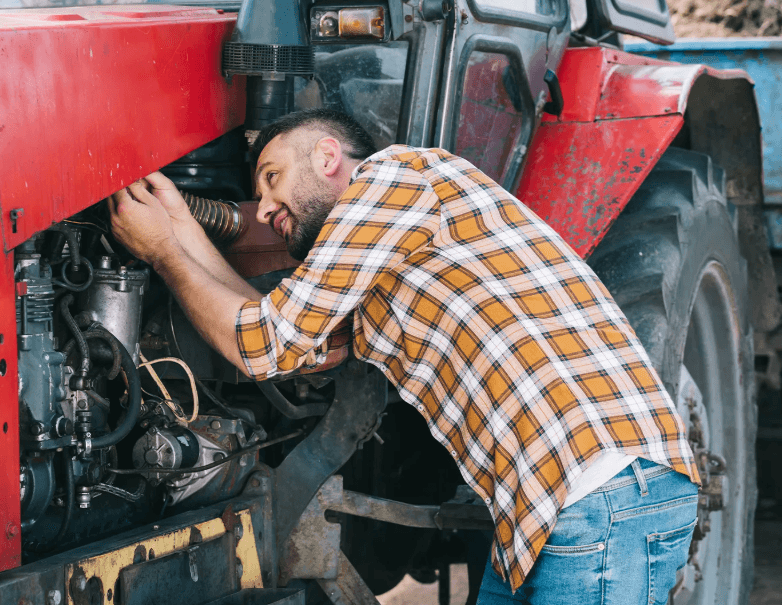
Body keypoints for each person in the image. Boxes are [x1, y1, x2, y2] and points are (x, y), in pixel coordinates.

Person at [107, 108, 701, 604]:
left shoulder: (396, 177)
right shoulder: (386, 265)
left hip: (600, 494)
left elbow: (264, 344)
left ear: (327, 155)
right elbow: (275, 337)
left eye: (272, 176)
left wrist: (165, 253)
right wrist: (178, 229)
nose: (261, 209)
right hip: (545, 513)